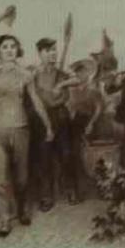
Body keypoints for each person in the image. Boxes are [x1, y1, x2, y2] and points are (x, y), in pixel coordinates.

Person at [0, 34, 53, 237]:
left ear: (17, 50)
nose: (9, 50)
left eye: (13, 46)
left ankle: (22, 209)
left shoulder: (25, 75)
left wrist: (48, 126)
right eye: (4, 47)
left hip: (20, 129)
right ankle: (5, 219)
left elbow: (36, 101)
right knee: (0, 178)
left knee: (21, 177)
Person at [29, 39, 81, 208]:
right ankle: (46, 196)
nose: (52, 53)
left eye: (54, 50)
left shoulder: (61, 72)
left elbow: (78, 79)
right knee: (43, 157)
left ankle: (71, 190)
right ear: (40, 53)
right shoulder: (34, 73)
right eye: (48, 50)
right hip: (42, 117)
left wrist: (61, 84)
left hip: (61, 115)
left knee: (66, 154)